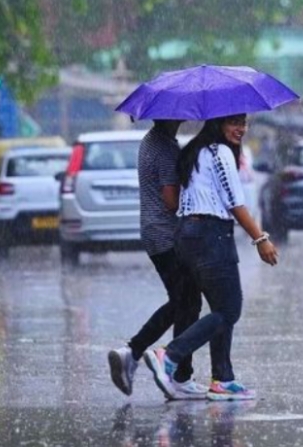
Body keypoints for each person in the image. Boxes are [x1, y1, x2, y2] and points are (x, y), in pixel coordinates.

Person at [144, 114, 278, 401]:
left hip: (188, 235)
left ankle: (223, 378)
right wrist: (261, 238)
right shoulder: (219, 153)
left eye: (244, 123)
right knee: (229, 310)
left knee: (219, 308)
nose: (240, 128)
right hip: (210, 235)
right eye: (234, 122)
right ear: (217, 124)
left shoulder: (195, 151)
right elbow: (234, 201)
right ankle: (170, 354)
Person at [108, 119, 204, 397]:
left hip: (154, 232)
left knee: (183, 301)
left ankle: (137, 353)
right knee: (189, 301)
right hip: (166, 234)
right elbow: (171, 201)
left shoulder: (153, 141)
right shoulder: (164, 148)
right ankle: (175, 372)